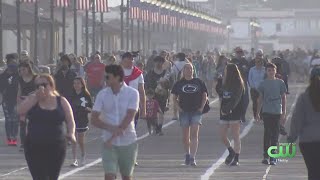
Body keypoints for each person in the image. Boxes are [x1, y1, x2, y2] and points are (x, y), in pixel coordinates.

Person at [17, 74, 76, 180]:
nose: (41, 88)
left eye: (44, 85)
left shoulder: (61, 101)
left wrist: (71, 133)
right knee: (39, 176)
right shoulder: (32, 99)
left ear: (52, 86)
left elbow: (70, 120)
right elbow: (20, 111)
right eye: (37, 86)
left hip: (56, 146)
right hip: (34, 146)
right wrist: (35, 99)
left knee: (53, 176)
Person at [91, 65, 139, 180]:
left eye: (108, 77)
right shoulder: (102, 94)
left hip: (128, 141)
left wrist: (120, 128)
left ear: (118, 77)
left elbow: (130, 115)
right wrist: (110, 128)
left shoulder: (132, 93)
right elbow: (94, 119)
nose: (105, 79)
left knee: (126, 176)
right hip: (108, 143)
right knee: (109, 176)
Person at [171, 63, 208, 166]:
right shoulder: (179, 83)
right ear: (184, 70)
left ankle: (192, 157)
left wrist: (201, 107)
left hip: (196, 111)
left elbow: (205, 95)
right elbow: (174, 97)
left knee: (194, 134)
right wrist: (179, 108)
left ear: (193, 70)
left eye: (191, 69)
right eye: (187, 68)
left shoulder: (199, 82)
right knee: (185, 136)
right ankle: (187, 154)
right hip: (184, 112)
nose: (189, 70)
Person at [287, 66, 320, 180]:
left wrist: (291, 138)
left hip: (307, 141)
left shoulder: (304, 98)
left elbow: (297, 119)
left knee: (313, 171)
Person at [257, 63, 287, 166]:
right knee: (267, 134)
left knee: (275, 135)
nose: (271, 72)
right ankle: (265, 156)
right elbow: (260, 98)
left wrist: (284, 111)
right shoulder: (263, 83)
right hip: (266, 111)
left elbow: (283, 97)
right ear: (266, 71)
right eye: (269, 70)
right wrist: (257, 112)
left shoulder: (280, 83)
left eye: (272, 70)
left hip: (277, 111)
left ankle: (273, 157)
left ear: (276, 71)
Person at [220, 63, 245, 166]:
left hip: (235, 112)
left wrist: (227, 109)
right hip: (224, 112)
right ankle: (231, 151)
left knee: (235, 135)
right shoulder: (224, 82)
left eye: (226, 70)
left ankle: (237, 158)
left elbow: (236, 99)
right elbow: (221, 94)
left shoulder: (238, 83)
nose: (225, 72)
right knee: (222, 135)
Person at [70, 77, 93, 167]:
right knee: (73, 139)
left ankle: (83, 155)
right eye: (75, 83)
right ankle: (74, 159)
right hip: (72, 118)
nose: (76, 85)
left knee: (80, 140)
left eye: (78, 83)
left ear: (82, 84)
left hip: (82, 119)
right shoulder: (71, 94)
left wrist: (88, 109)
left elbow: (91, 107)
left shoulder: (86, 95)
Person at [144, 56, 170, 135]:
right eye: (157, 62)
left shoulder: (166, 72)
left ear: (163, 63)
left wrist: (164, 84)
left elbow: (170, 84)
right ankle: (155, 126)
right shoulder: (150, 73)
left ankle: (159, 128)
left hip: (162, 95)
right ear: (154, 63)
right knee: (152, 114)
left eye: (160, 62)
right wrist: (147, 93)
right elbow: (146, 83)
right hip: (152, 95)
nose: (158, 63)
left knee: (161, 112)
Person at [120, 52, 146, 127]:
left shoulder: (138, 74)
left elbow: (142, 92)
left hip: (133, 106)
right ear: (122, 61)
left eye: (131, 60)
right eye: (127, 60)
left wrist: (143, 110)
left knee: (131, 129)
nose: (130, 62)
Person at [17, 62, 38, 151]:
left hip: (33, 102)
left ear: (29, 69)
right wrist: (18, 102)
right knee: (22, 123)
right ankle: (23, 143)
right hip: (23, 102)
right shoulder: (20, 79)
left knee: (33, 123)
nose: (22, 71)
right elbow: (19, 91)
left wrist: (31, 96)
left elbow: (39, 90)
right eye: (20, 70)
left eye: (24, 69)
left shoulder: (35, 78)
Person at [0, 53, 19, 146]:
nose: (13, 64)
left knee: (15, 119)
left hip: (16, 99)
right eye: (11, 62)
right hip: (6, 100)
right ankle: (9, 138)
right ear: (7, 63)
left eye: (14, 62)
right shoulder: (3, 75)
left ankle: (14, 137)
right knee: (8, 119)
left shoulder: (18, 74)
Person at [231, 47, 250, 123]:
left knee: (245, 100)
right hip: (235, 84)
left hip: (244, 83)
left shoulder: (245, 61)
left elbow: (248, 72)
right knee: (235, 100)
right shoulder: (232, 61)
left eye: (240, 52)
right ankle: (236, 115)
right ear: (235, 53)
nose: (239, 53)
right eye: (238, 52)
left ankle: (242, 115)